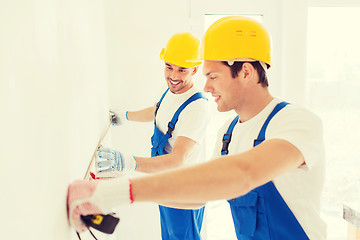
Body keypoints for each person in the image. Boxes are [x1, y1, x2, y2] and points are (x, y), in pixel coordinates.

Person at [68, 16, 326, 239]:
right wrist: (113, 194)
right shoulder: (229, 133)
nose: (206, 88)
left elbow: (243, 173)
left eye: (213, 76)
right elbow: (199, 196)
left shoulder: (295, 121)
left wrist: (115, 192)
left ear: (246, 72)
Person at [94, 32, 210, 240]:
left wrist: (127, 162)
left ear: (195, 69)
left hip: (185, 190)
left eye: (182, 69)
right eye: (169, 67)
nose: (173, 75)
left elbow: (177, 159)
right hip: (165, 182)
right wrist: (124, 116)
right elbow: (156, 111)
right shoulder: (171, 91)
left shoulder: (196, 108)